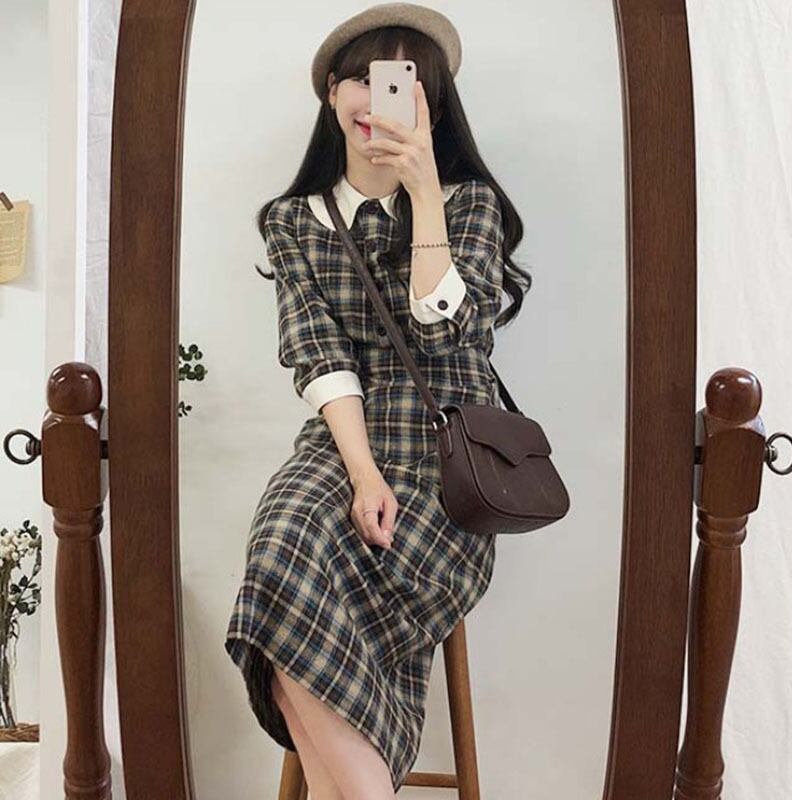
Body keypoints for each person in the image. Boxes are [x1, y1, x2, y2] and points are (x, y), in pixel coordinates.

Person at [225, 3, 530, 798]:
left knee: (310, 592)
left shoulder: (468, 204)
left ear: (431, 105)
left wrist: (425, 193)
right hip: (344, 441)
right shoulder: (294, 221)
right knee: (284, 544)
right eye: (362, 79)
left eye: (402, 84)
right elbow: (319, 356)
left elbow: (447, 332)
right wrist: (362, 475)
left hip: (448, 455)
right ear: (332, 92)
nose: (376, 99)